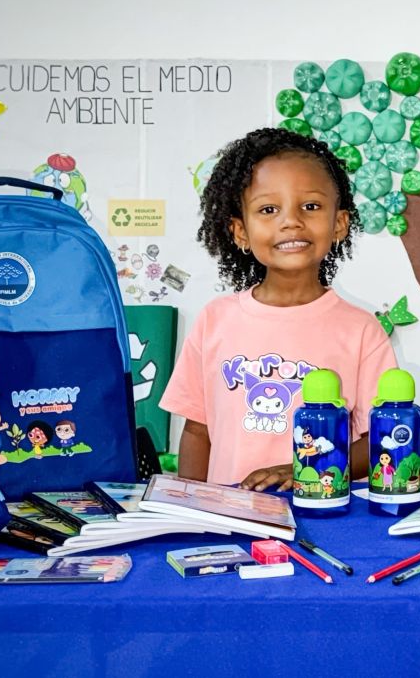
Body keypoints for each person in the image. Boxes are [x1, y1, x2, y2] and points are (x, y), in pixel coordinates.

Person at [160, 128, 396, 491]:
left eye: (311, 206)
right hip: (229, 524)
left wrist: (306, 465)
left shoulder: (362, 331)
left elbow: (377, 442)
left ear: (339, 223)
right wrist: (192, 512)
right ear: (240, 231)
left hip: (320, 517)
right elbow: (197, 431)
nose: (291, 221)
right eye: (268, 209)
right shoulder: (214, 320)